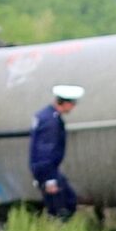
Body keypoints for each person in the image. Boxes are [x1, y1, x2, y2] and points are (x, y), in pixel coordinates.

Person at [29, 83, 82, 218]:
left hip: (43, 169)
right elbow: (45, 151)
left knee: (59, 205)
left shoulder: (45, 115)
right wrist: (50, 179)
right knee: (65, 205)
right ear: (65, 103)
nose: (73, 107)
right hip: (47, 170)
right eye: (73, 103)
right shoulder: (51, 122)